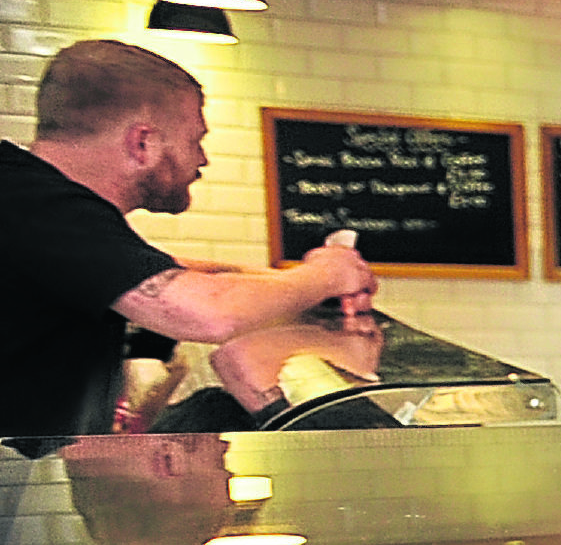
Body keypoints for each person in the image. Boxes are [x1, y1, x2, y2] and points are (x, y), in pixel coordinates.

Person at [2, 40, 377, 443]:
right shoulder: (29, 199)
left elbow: (167, 271)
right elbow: (206, 311)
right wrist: (326, 275)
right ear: (141, 143)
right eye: (195, 140)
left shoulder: (34, 201)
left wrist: (282, 282)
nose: (203, 159)